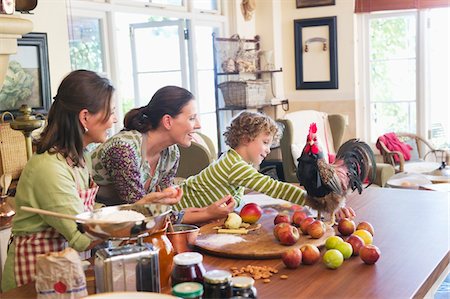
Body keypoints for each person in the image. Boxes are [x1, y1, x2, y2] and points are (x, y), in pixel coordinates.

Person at [1, 70, 178, 292]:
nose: (114, 119)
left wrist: (139, 207)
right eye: (110, 112)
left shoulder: (80, 157)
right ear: (85, 117)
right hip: (33, 281)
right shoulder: (49, 168)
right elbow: (81, 237)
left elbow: (90, 212)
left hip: (67, 270)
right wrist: (134, 221)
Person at [176, 111, 355, 224]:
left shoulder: (235, 162)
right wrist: (324, 205)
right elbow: (274, 187)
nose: (268, 150)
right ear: (246, 139)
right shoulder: (234, 166)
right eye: (265, 142)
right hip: (178, 213)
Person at [90, 85, 200, 206]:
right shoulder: (123, 149)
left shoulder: (171, 153)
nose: (198, 125)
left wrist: (207, 213)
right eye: (192, 118)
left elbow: (161, 209)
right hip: (91, 219)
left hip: (123, 220)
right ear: (168, 121)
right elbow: (140, 211)